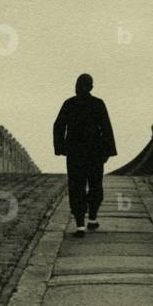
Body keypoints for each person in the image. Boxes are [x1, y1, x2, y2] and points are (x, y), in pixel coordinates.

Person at [53, 73, 117, 236]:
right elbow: (106, 128)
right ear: (91, 87)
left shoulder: (69, 103)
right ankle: (92, 219)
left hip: (75, 152)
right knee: (95, 186)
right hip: (95, 153)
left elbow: (58, 126)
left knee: (76, 187)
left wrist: (61, 148)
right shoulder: (98, 103)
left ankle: (80, 225)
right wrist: (108, 151)